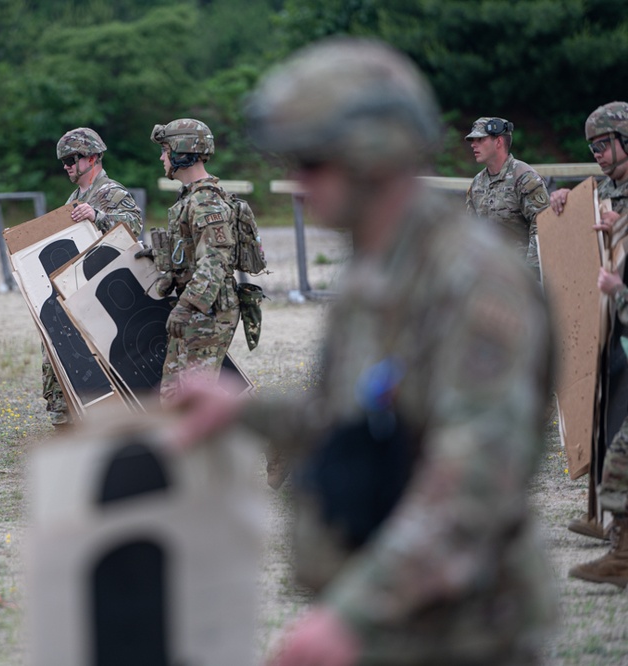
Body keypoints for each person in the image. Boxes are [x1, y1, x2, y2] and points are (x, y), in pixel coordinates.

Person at [172, 38, 556, 664]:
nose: (297, 182)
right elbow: (354, 425)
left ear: (371, 154)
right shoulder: (371, 275)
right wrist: (242, 413)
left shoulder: (473, 280)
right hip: (391, 620)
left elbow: (475, 481)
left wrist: (351, 617)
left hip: (463, 634)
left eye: (313, 161)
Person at [551, 102, 628, 585]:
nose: (598, 154)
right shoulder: (613, 190)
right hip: (618, 329)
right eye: (592, 147)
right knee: (611, 427)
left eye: (604, 144)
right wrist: (568, 205)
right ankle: (615, 536)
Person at [42, 128, 143, 426]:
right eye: (64, 160)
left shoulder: (111, 192)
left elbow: (133, 226)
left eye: (72, 159)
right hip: (75, 289)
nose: (66, 166)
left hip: (104, 289)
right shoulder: (74, 197)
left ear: (93, 157)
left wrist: (97, 216)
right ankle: (65, 414)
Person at [148, 119, 240, 403]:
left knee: (189, 398)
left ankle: (261, 432)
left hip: (206, 310)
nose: (162, 157)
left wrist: (186, 307)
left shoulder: (205, 202)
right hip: (196, 308)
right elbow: (189, 252)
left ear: (181, 150)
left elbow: (215, 261)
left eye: (165, 150)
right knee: (175, 395)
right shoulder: (190, 198)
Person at [465, 117, 550, 276]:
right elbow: (471, 232)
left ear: (498, 142)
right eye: (472, 140)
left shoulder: (524, 178)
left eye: (480, 139)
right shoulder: (477, 183)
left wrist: (531, 274)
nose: (473, 144)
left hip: (521, 277)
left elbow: (542, 226)